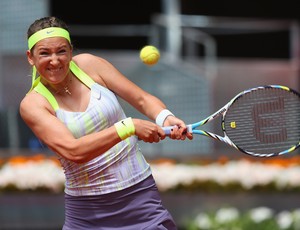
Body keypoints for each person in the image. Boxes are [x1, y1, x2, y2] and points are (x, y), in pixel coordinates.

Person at [19, 16, 193, 230]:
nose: (55, 60)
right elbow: (74, 152)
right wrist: (128, 128)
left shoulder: (90, 65)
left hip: (140, 200)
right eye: (45, 53)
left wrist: (165, 117)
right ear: (31, 57)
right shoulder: (33, 104)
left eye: (61, 51)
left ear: (71, 51)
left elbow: (142, 99)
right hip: (87, 215)